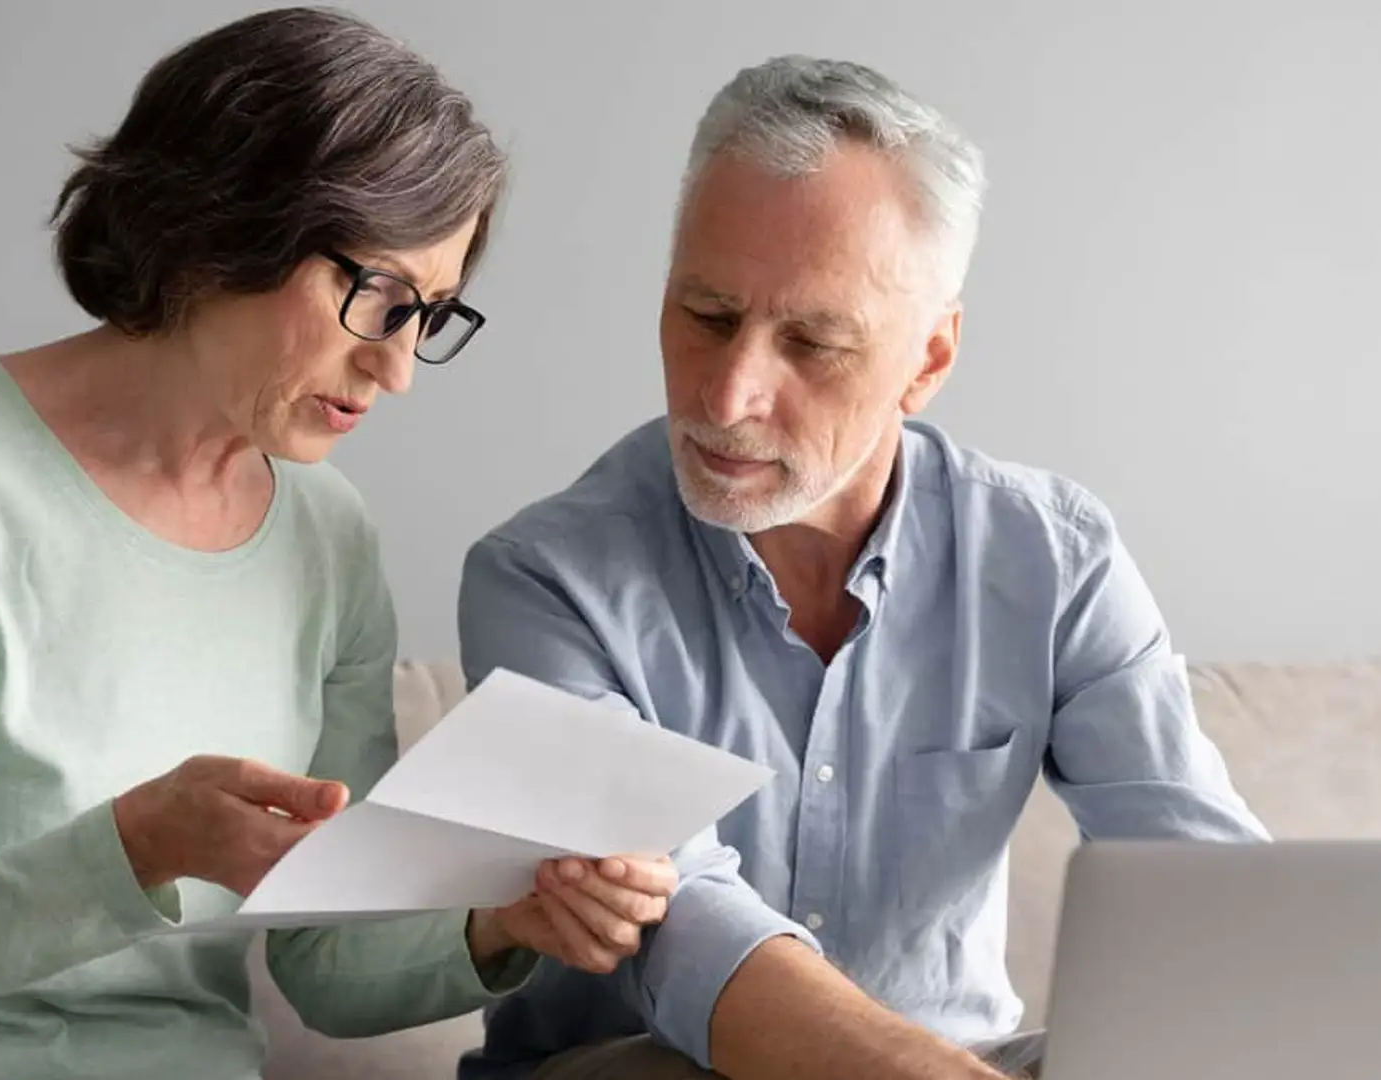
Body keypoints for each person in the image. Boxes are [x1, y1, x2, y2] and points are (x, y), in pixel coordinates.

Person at [0, 9, 675, 1079]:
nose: (397, 370)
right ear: (222, 225)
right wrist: (131, 851)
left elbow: (324, 958)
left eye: (433, 315)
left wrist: (505, 922)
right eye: (377, 297)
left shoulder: (328, 538)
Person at [457, 54, 1270, 1080]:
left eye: (813, 342)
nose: (730, 392)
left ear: (928, 360)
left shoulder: (1053, 558)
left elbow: (1215, 894)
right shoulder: (543, 580)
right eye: (706, 315)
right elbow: (682, 926)